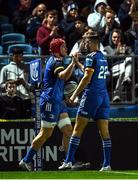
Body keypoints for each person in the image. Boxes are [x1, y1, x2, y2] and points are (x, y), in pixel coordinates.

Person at [19, 38, 78, 171]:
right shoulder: (56, 61)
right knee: (45, 134)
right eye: (64, 47)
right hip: (50, 101)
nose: (66, 49)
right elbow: (63, 76)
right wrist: (73, 63)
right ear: (57, 49)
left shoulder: (59, 61)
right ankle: (26, 160)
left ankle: (70, 162)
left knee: (68, 131)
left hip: (59, 101)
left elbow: (63, 79)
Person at [58, 34, 112, 171]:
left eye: (87, 42)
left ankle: (69, 161)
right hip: (104, 96)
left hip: (91, 96)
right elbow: (90, 73)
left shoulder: (91, 56)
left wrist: (74, 95)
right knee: (104, 132)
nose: (85, 45)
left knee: (77, 130)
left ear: (94, 42)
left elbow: (87, 78)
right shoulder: (102, 57)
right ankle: (107, 164)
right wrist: (78, 63)